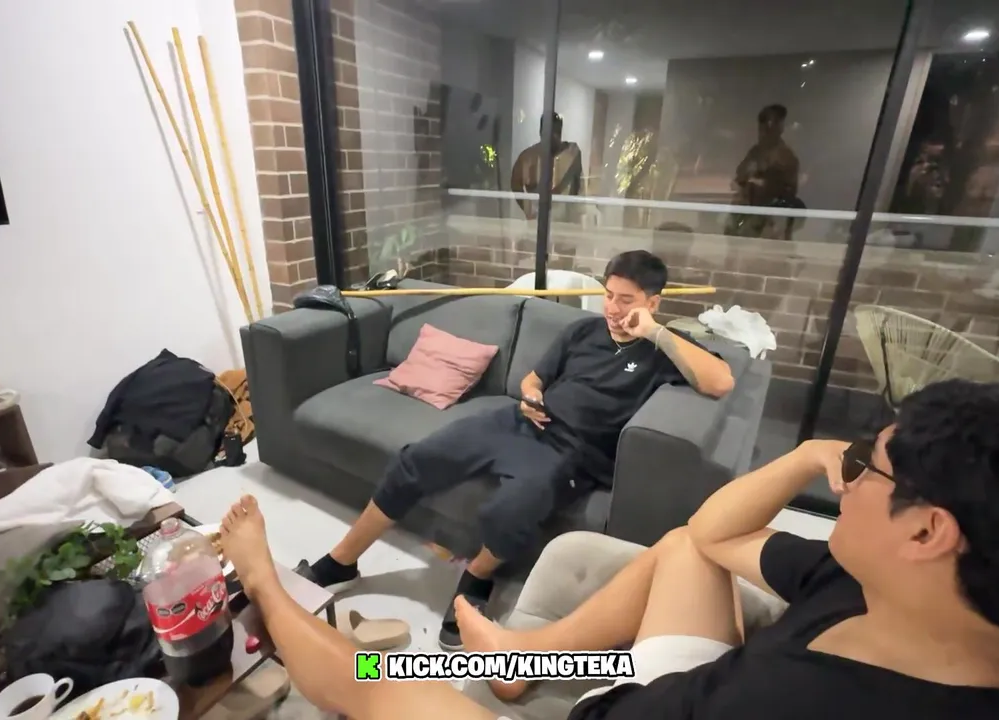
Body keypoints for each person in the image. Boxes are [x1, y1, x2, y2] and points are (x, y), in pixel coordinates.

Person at [448, 379, 999, 719]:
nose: (846, 480)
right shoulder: (901, 593)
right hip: (715, 676)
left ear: (926, 532)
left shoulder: (796, 702)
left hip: (654, 702)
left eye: (865, 464)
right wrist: (805, 454)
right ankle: (522, 660)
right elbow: (714, 534)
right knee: (686, 545)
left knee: (394, 692)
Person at [294, 250, 734, 650]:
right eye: (608, 296)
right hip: (519, 422)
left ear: (653, 302)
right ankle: (341, 562)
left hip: (573, 451)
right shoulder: (583, 330)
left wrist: (654, 332)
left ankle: (476, 579)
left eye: (626, 300)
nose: (613, 309)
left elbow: (721, 382)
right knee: (416, 459)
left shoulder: (663, 350)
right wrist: (529, 395)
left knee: (511, 509)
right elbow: (533, 379)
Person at [726, 103, 801, 238]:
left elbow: (789, 193)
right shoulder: (755, 152)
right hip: (749, 217)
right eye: (764, 124)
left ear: (780, 127)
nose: (766, 129)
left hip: (772, 222)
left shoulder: (786, 157)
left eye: (773, 123)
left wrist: (759, 183)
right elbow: (739, 177)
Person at [511, 112, 584, 220]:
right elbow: (515, 185)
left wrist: (574, 212)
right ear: (541, 132)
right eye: (549, 132)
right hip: (537, 219)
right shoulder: (528, 157)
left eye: (556, 132)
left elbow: (577, 187)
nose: (553, 137)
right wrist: (528, 209)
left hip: (563, 220)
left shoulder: (571, 153)